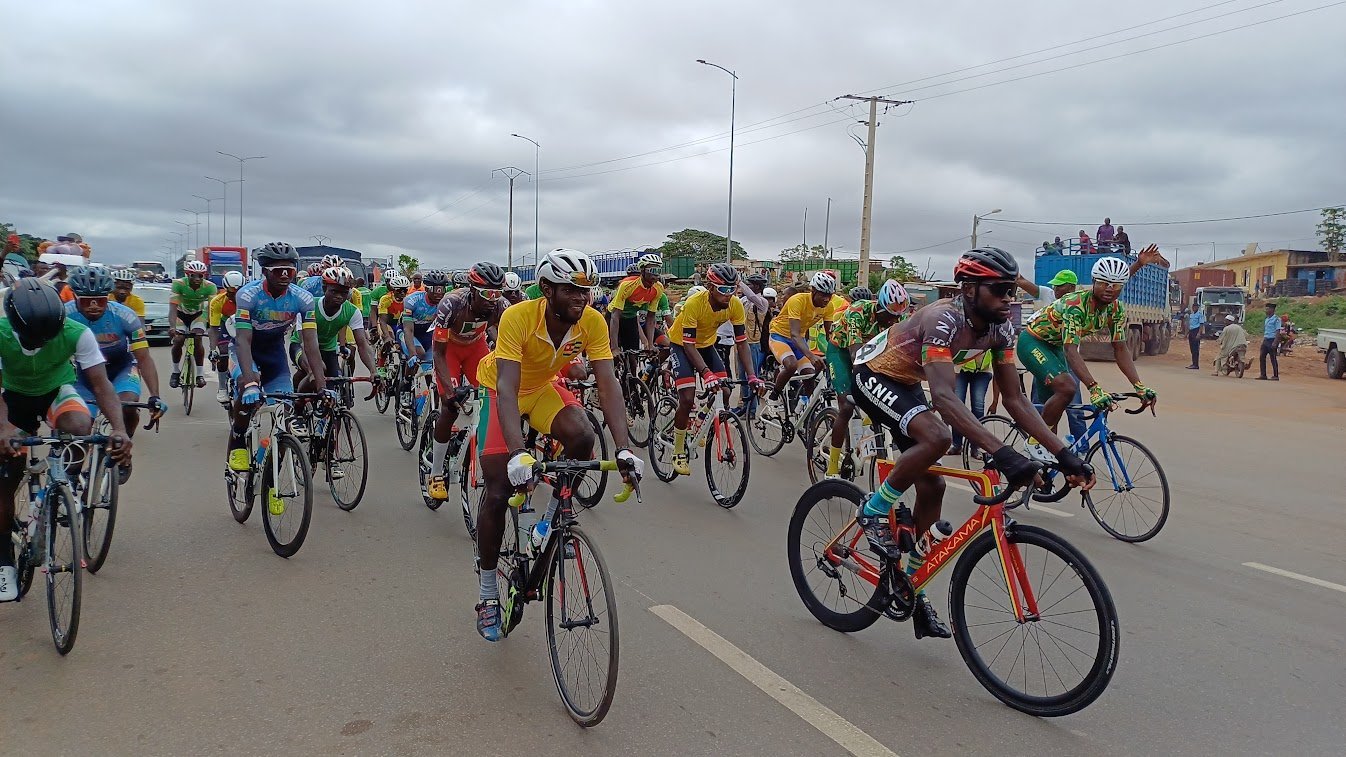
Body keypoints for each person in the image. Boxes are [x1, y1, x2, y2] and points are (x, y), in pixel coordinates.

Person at [850, 248, 1093, 639]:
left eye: (1011, 290)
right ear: (968, 288)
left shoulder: (1002, 329)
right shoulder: (942, 317)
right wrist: (1003, 453)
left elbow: (1014, 400)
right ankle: (874, 509)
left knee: (934, 487)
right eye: (999, 290)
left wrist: (1064, 455)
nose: (1008, 299)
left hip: (909, 383)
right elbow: (946, 399)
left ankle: (910, 587)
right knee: (938, 436)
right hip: (872, 373)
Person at [472, 249, 642, 641]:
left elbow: (608, 382)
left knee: (583, 435)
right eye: (571, 291)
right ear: (547, 289)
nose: (581, 299)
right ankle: (486, 594)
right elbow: (508, 386)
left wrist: (624, 447)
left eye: (586, 291)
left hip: (543, 389)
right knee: (498, 491)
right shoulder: (518, 317)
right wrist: (517, 453)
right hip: (503, 391)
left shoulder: (593, 321)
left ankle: (549, 520)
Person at [0, 279, 133, 600]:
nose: (44, 341)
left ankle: (69, 482)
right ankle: (3, 559)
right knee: (7, 475)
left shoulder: (76, 331)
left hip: (55, 391)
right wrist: (5, 428)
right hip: (10, 397)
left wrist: (119, 429)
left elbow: (101, 386)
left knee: (80, 423)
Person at [1019, 255, 1158, 461]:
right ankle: (1033, 442)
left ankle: (1045, 479)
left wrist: (1139, 385)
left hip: (1054, 346)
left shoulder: (1116, 309)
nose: (1110, 289)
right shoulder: (1076, 304)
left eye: (1116, 285)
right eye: (1104, 283)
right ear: (1094, 282)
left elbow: (1120, 349)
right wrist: (1094, 388)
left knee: (1054, 410)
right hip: (1034, 342)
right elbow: (1071, 350)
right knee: (1067, 387)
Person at [226, 243, 327, 474]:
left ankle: (273, 483)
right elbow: (242, 340)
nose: (284, 275)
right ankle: (238, 439)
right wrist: (251, 382)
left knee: (283, 417)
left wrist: (322, 384)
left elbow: (310, 343)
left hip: (274, 353)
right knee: (246, 386)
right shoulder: (248, 294)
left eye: (289, 270)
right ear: (264, 271)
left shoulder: (303, 298)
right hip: (246, 349)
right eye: (277, 270)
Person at [64, 267, 165, 480]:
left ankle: (122, 450)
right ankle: (71, 477)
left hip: (120, 369)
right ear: (75, 297)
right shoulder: (63, 314)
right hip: (83, 376)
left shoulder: (125, 315)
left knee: (127, 403)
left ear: (107, 297)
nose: (93, 306)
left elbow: (144, 358)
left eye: (99, 300)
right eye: (86, 300)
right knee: (80, 427)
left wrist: (155, 396)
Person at [667, 264, 764, 475]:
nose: (729, 295)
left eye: (733, 289)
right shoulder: (694, 303)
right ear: (711, 287)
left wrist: (752, 376)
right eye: (724, 290)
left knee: (725, 390)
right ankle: (678, 450)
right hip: (682, 345)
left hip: (707, 345)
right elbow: (689, 345)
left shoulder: (735, 305)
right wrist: (706, 373)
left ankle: (702, 419)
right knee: (687, 398)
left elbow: (742, 343)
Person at [424, 262, 508, 501]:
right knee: (449, 408)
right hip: (449, 350)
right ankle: (436, 472)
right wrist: (449, 392)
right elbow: (438, 353)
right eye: (487, 294)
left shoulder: (501, 306)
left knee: (495, 398)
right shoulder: (451, 304)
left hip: (475, 348)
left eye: (497, 293)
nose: (493, 300)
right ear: (472, 290)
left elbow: (511, 343)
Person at [824, 279, 909, 478]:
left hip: (867, 355)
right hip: (841, 352)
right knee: (846, 406)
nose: (894, 322)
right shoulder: (858, 312)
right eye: (890, 316)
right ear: (879, 307)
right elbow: (855, 355)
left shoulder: (896, 320)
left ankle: (860, 441)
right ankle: (832, 467)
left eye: (898, 317)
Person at [291, 267, 376, 438]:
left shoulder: (352, 311)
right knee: (317, 371)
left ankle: (327, 447)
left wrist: (374, 371)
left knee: (334, 385)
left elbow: (362, 344)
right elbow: (307, 343)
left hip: (328, 350)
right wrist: (315, 370)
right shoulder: (309, 306)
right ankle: (297, 409)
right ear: (324, 289)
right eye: (334, 291)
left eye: (344, 292)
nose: (339, 296)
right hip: (302, 346)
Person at [765, 272, 836, 417]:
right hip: (780, 336)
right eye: (823, 295)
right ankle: (773, 397)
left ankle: (806, 408)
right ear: (813, 291)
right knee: (791, 365)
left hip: (799, 340)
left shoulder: (828, 306)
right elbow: (795, 335)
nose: (826, 299)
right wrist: (811, 355)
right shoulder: (797, 300)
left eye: (830, 295)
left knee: (809, 374)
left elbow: (830, 336)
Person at [607, 254, 665, 376]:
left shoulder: (658, 288)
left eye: (659, 271)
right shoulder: (627, 285)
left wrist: (650, 344)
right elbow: (615, 316)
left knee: (633, 360)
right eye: (653, 271)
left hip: (630, 319)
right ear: (642, 270)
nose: (656, 275)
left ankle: (631, 389)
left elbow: (650, 318)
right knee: (613, 357)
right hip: (613, 317)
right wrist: (614, 348)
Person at [168, 260, 218, 389]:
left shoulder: (210, 286)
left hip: (198, 315)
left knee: (197, 338)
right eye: (193, 275)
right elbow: (173, 308)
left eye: (200, 276)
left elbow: (213, 309)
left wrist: (212, 327)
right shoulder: (178, 284)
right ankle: (175, 371)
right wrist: (172, 327)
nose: (197, 279)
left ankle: (199, 375)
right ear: (187, 274)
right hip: (180, 314)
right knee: (178, 340)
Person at [207, 270, 246, 403]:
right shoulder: (217, 301)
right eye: (231, 290)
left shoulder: (249, 298)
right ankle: (222, 387)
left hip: (243, 323)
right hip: (225, 324)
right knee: (223, 353)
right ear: (225, 288)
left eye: (239, 289)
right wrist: (213, 349)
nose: (235, 293)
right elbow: (213, 328)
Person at [1257, 302, 1281, 380]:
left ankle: (1276, 375)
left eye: (1267, 309)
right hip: (1266, 339)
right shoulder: (1267, 319)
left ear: (1272, 310)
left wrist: (1275, 342)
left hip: (1272, 340)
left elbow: (1278, 331)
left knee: (1273, 358)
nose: (1266, 310)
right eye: (1266, 309)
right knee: (1262, 357)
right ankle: (1263, 375)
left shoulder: (1276, 319)